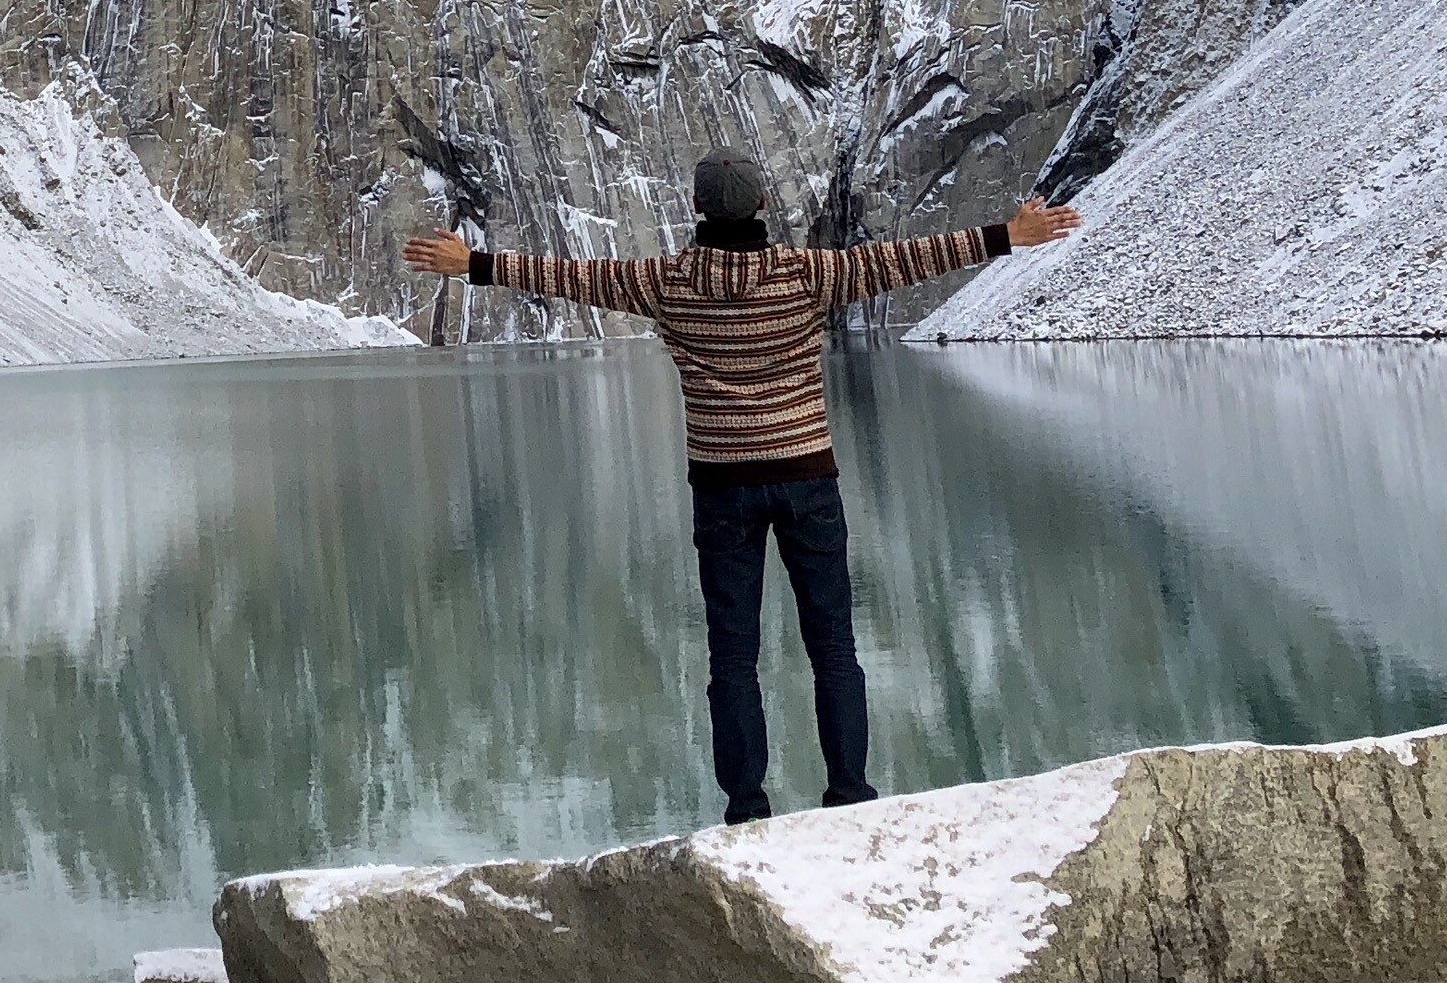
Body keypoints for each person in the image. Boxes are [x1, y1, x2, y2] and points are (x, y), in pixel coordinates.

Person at [403, 158, 1078, 824]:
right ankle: (849, 797)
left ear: (699, 209)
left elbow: (576, 278)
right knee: (834, 649)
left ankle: (748, 810)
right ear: (760, 201)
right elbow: (904, 260)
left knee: (733, 658)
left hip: (723, 489)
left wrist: (478, 264)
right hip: (807, 480)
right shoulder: (808, 274)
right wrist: (1004, 235)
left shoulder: (666, 281)